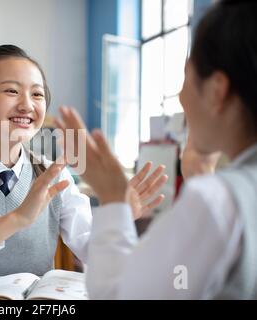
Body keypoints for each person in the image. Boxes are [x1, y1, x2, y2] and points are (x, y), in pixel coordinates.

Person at [0, 45, 166, 287]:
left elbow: (92, 251)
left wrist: (117, 219)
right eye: (11, 91)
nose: (27, 105)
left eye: (37, 94)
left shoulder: (55, 174)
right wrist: (14, 220)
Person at [56, 0, 257, 299]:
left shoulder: (215, 199)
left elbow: (120, 293)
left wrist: (113, 199)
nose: (179, 97)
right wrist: (200, 175)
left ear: (217, 90)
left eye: (186, 76)